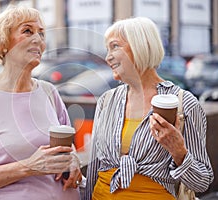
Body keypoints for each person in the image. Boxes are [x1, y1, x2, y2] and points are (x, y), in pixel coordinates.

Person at [0, 5, 81, 200]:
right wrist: (28, 167)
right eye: (27, 31)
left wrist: (74, 161)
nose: (38, 39)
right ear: (4, 43)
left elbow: (67, 149)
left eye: (41, 33)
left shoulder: (49, 92)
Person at [84, 17, 214, 200]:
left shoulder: (184, 103)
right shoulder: (107, 100)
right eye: (107, 50)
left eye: (115, 47)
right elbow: (94, 169)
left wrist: (179, 152)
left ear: (140, 46)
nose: (107, 57)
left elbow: (202, 182)